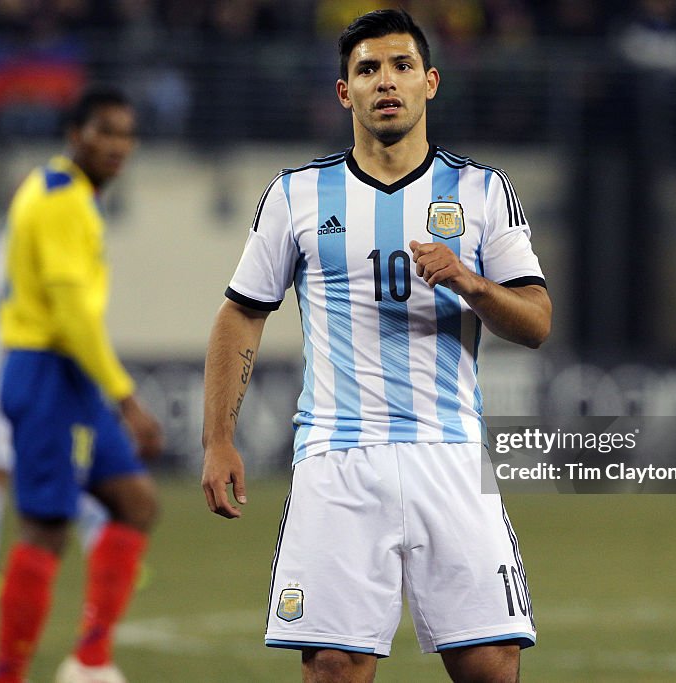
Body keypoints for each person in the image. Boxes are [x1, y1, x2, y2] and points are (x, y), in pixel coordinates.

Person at [201, 10, 551, 682]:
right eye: (367, 69)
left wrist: (470, 282)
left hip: (447, 450)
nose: (385, 81)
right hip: (337, 453)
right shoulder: (296, 195)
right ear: (344, 92)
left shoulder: (481, 191)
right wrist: (218, 437)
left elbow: (535, 321)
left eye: (400, 66)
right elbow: (241, 314)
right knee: (334, 665)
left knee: (490, 666)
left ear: (430, 82)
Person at [0, 85, 163, 683]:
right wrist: (127, 398)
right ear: (75, 134)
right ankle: (7, 675)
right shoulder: (63, 200)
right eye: (105, 131)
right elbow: (71, 316)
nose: (118, 145)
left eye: (126, 133)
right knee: (46, 526)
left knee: (136, 502)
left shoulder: (63, 191)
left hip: (63, 377)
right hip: (47, 373)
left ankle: (90, 661)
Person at [0, 225, 111, 598]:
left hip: (59, 363)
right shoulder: (0, 241)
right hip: (9, 367)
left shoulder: (69, 238)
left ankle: (105, 557)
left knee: (75, 458)